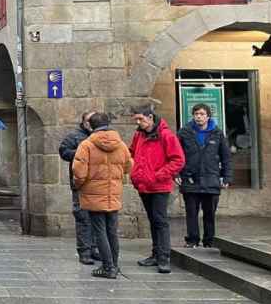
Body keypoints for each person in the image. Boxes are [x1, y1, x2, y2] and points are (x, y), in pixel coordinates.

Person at [72, 112, 133, 279]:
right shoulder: (120, 144)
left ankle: (108, 267)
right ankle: (114, 264)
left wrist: (78, 185)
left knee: (99, 231)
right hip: (113, 192)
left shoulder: (86, 145)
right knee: (112, 231)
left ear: (91, 126)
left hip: (93, 193)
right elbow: (128, 165)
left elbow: (79, 171)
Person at [129, 104, 185, 274]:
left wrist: (158, 175)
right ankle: (155, 254)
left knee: (160, 221)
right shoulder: (139, 134)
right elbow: (132, 153)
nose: (138, 122)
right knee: (153, 220)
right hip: (144, 184)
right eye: (136, 119)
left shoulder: (166, 135)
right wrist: (135, 173)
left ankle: (164, 257)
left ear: (150, 117)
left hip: (159, 185)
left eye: (140, 119)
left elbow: (178, 160)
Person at [177, 103, 231, 248]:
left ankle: (209, 240)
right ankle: (192, 239)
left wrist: (226, 177)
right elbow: (176, 155)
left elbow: (226, 157)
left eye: (202, 114)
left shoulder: (217, 133)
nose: (199, 117)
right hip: (190, 178)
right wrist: (176, 173)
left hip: (211, 179)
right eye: (196, 114)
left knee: (209, 213)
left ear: (208, 116)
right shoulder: (184, 133)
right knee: (191, 213)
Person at [59, 111, 101, 265]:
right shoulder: (74, 136)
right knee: (83, 217)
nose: (90, 124)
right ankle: (84, 251)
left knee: (97, 217)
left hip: (98, 183)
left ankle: (95, 248)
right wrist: (81, 153)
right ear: (83, 122)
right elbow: (64, 152)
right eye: (88, 121)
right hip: (80, 183)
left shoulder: (101, 136)